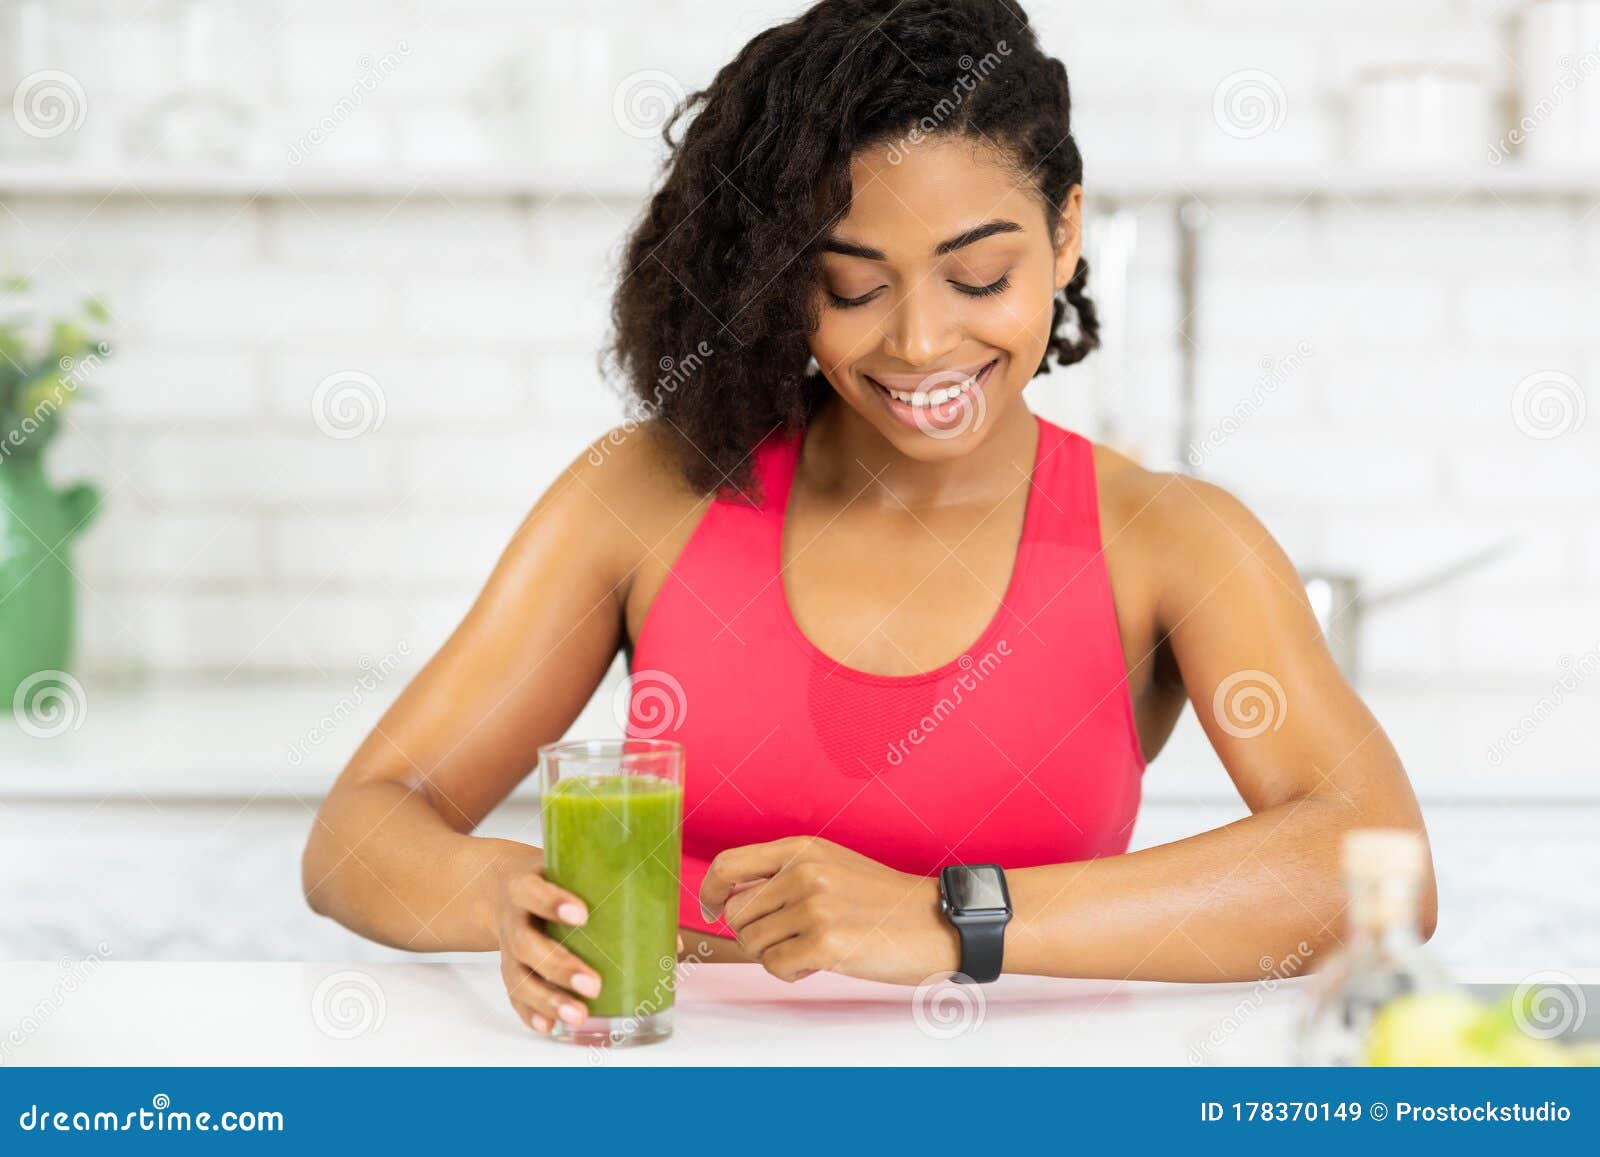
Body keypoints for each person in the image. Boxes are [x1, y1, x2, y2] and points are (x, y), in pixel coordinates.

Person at [303, 0, 1436, 1036]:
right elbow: (360, 829)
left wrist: (948, 921)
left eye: (979, 276)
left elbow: (1375, 866)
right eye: (851, 287)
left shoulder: (1172, 539)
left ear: (1064, 234)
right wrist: (506, 891)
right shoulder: (648, 489)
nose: (920, 343)